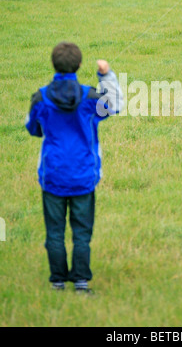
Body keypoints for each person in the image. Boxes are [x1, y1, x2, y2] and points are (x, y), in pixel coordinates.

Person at [25, 42, 123, 293]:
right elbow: (115, 106)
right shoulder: (90, 97)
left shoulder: (41, 96)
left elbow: (33, 128)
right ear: (79, 65)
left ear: (53, 64)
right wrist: (106, 76)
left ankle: (57, 282)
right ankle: (81, 282)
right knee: (81, 232)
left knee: (54, 232)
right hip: (83, 175)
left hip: (53, 176)